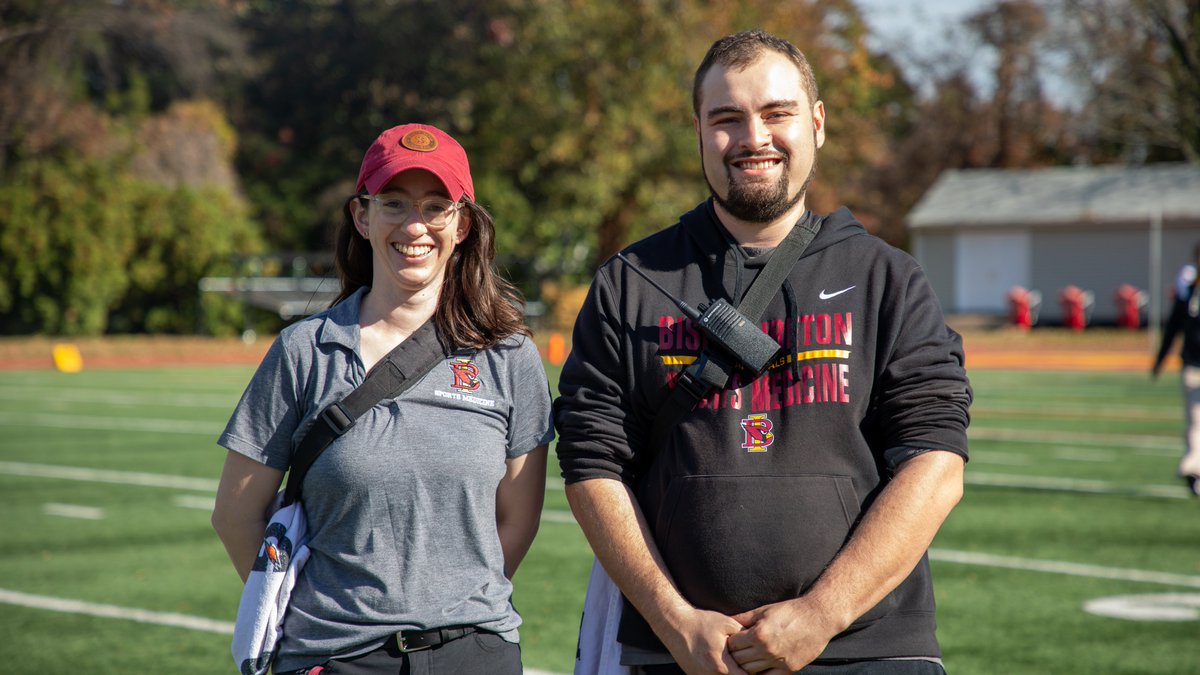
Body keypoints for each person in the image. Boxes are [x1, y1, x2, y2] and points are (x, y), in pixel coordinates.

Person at [554, 30, 972, 675]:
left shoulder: (889, 277)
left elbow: (936, 461)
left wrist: (823, 613)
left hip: (865, 651)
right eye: (728, 119)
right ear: (698, 130)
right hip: (682, 653)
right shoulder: (632, 280)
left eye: (777, 113)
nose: (754, 138)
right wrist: (674, 620)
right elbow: (591, 463)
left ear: (817, 122)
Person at [212, 123, 554, 675]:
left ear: (462, 224)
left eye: (435, 206)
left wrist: (453, 606)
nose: (414, 225)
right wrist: (323, 615)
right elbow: (235, 515)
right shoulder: (304, 351)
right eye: (393, 203)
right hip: (334, 657)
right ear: (361, 216)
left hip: (474, 654)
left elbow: (517, 519)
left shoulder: (509, 355)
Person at [1152, 243, 1200, 496]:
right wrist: (1160, 359)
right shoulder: (1189, 291)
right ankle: (1194, 469)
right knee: (1195, 420)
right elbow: (1173, 328)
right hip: (1193, 365)